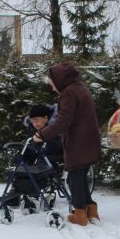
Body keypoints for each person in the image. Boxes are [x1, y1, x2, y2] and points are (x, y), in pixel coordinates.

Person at [33, 63, 101, 226]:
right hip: (88, 140)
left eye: (52, 84)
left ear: (59, 80)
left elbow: (63, 122)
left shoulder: (69, 93)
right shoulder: (80, 88)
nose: (52, 88)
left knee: (74, 179)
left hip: (78, 143)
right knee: (81, 178)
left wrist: (42, 135)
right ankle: (91, 210)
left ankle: (80, 214)